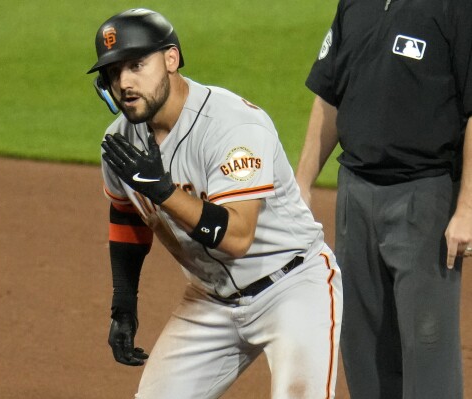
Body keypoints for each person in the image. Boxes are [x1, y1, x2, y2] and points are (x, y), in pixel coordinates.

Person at [87, 8, 343, 399]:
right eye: (113, 72)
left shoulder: (232, 125)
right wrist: (123, 305)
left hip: (291, 285)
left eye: (137, 65)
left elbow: (238, 237)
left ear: (171, 59)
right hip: (212, 299)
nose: (124, 82)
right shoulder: (120, 142)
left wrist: (166, 192)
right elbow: (126, 214)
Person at [295, 0, 472, 397]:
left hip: (425, 197)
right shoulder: (355, 4)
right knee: (363, 345)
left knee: (428, 351)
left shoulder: (456, 7)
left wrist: (467, 208)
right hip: (354, 193)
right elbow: (329, 94)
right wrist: (302, 182)